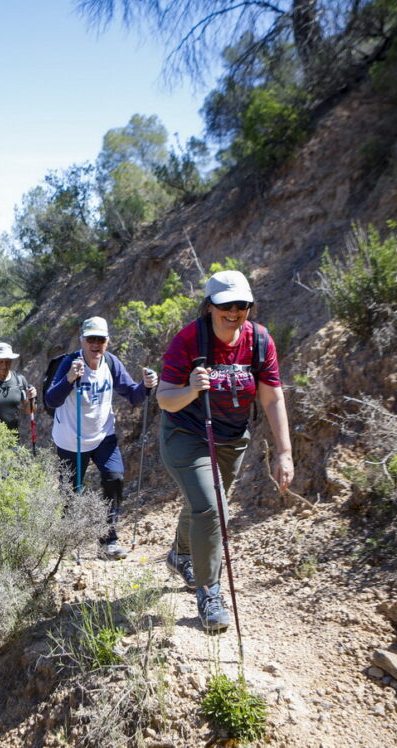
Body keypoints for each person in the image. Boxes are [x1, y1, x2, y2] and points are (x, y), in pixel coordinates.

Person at [156, 269, 293, 632]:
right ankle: (209, 594)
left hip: (232, 439)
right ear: (210, 306)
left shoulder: (259, 340)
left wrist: (284, 452)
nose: (234, 313)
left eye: (241, 306)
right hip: (186, 434)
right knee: (213, 507)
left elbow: (272, 396)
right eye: (225, 306)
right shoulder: (189, 340)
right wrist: (191, 389)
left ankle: (180, 554)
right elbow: (165, 399)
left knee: (203, 505)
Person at [45, 316, 157, 560]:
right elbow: (51, 400)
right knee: (70, 493)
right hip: (70, 440)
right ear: (82, 340)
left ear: (107, 341)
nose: (95, 344)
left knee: (114, 478)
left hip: (103, 436)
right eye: (91, 339)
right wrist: (69, 379)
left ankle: (108, 542)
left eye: (100, 339)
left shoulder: (111, 363)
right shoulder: (69, 363)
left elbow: (133, 395)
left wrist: (146, 386)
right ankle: (66, 543)